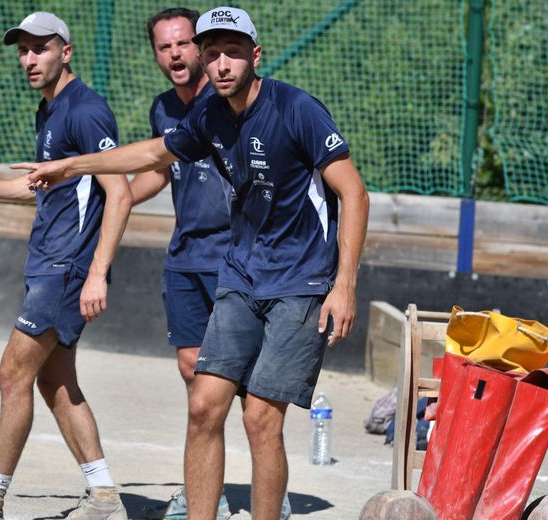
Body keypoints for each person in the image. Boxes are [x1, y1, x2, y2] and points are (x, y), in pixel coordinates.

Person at [20, 6, 370, 519]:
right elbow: (149, 155)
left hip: (302, 281)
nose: (221, 64)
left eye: (231, 52)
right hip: (241, 275)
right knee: (204, 406)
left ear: (255, 54)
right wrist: (71, 165)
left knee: (259, 419)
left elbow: (355, 195)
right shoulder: (207, 117)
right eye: (212, 54)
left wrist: (344, 286)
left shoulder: (297, 109)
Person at [0, 11, 132, 520]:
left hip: (67, 269)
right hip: (48, 264)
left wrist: (96, 273)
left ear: (65, 52)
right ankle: (106, 496)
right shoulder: (48, 111)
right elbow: (40, 184)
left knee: (11, 375)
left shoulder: (86, 111)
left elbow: (121, 191)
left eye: (39, 48)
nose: (28, 59)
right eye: (22, 50)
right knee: (54, 381)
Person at [131, 8, 232, 520]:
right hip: (185, 255)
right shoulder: (162, 109)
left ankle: (265, 488)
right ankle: (202, 485)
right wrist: (118, 197)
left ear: (201, 48)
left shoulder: (232, 100)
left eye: (183, 43)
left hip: (235, 255)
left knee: (247, 378)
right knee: (194, 370)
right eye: (163, 47)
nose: (174, 53)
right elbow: (160, 171)